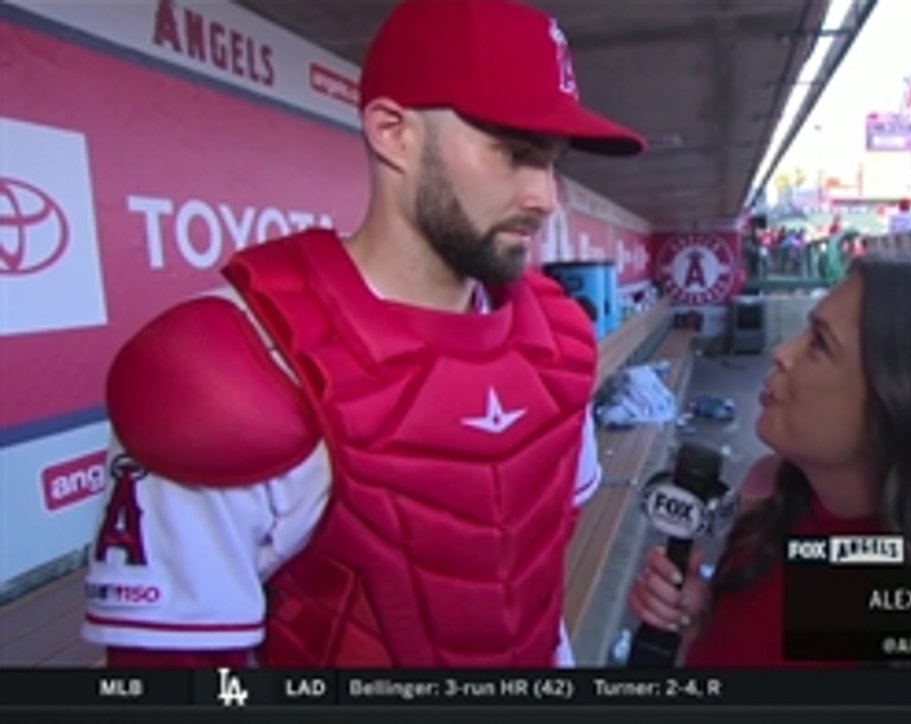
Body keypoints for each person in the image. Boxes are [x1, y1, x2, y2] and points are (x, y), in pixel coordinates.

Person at [83, 0, 644, 668]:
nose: (546, 197)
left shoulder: (556, 340)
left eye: (551, 161)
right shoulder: (238, 361)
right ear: (391, 132)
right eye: (514, 153)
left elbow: (527, 578)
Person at [628, 254, 911, 667]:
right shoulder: (766, 491)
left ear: (905, 402)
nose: (781, 352)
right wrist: (705, 622)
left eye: (820, 344)